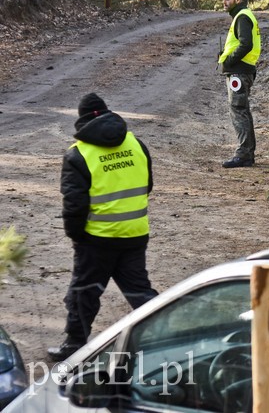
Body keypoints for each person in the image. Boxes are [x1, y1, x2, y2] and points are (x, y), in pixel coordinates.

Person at [48, 93, 158, 362]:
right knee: (140, 291)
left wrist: (77, 236)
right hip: (135, 232)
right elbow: (148, 185)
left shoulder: (79, 154)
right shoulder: (135, 143)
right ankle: (165, 336)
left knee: (84, 292)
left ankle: (74, 346)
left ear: (82, 120)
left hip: (97, 239)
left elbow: (75, 204)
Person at [216, 0, 261, 168]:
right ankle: (247, 153)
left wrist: (231, 60)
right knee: (243, 110)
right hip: (243, 71)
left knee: (238, 110)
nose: (224, 1)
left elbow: (246, 44)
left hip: (239, 72)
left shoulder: (242, 17)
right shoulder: (243, 16)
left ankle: (243, 154)